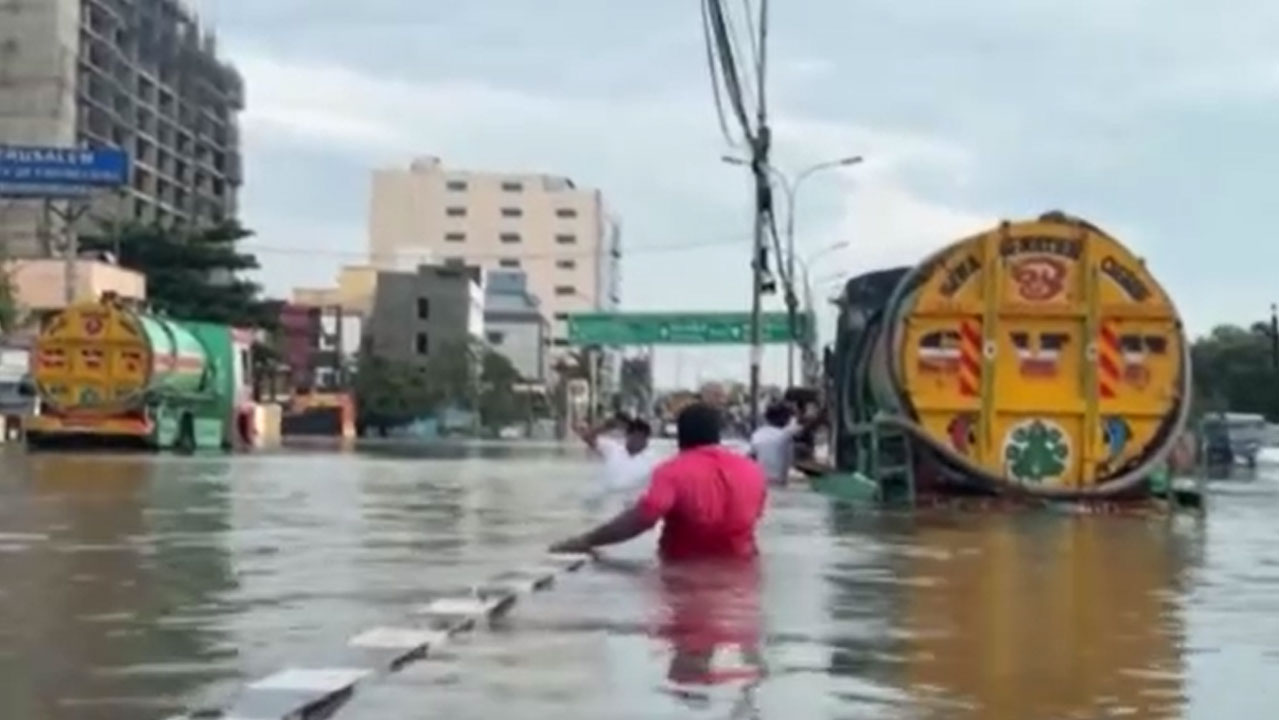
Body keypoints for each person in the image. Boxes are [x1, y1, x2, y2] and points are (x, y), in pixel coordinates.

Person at [551, 402, 767, 562]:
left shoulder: (672, 471)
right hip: (743, 571)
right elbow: (754, 516)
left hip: (681, 570)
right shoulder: (753, 471)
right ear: (717, 435)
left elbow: (643, 518)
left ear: (680, 436)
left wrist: (584, 541)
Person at [577, 414, 657, 513]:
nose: (638, 441)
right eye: (635, 436)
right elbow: (587, 437)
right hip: (605, 498)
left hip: (629, 501)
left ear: (647, 440)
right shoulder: (613, 448)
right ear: (628, 436)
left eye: (642, 438)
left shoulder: (652, 461)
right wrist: (606, 426)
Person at [749, 401, 820, 486]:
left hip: (760, 482)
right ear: (785, 419)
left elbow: (751, 458)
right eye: (789, 417)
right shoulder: (786, 436)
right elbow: (791, 460)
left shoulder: (757, 434)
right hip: (779, 482)